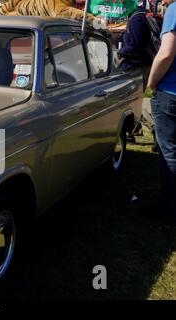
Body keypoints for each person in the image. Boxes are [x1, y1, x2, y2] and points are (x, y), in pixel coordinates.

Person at [147, 0, 176, 223]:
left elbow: (166, 53)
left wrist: (151, 83)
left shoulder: (175, 10)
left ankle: (169, 208)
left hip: (171, 91)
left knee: (169, 152)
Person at [118, 1, 153, 91]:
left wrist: (121, 52)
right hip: (142, 61)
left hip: (137, 64)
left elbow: (135, 45)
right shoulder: (139, 15)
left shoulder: (135, 19)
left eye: (123, 3)